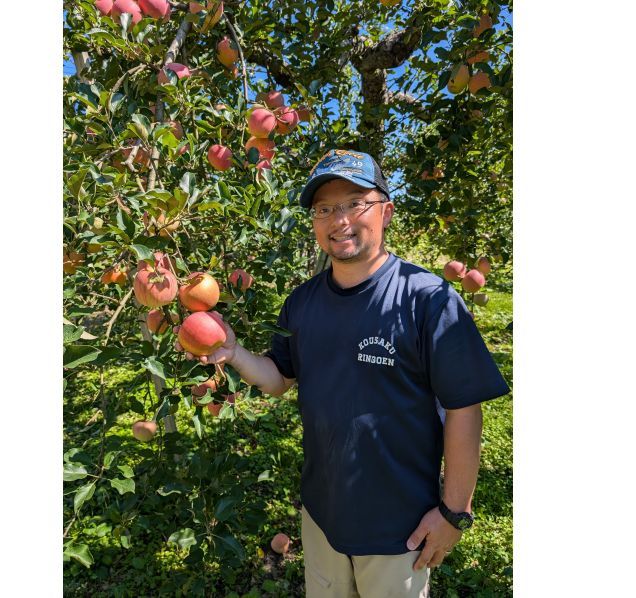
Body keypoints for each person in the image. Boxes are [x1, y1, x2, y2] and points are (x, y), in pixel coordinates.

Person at [175, 148, 510, 597]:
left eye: (355, 203)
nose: (340, 220)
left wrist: (454, 512)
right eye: (325, 208)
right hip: (322, 518)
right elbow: (280, 380)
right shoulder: (301, 303)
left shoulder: (428, 300)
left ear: (386, 211)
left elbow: (464, 411)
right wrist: (233, 352)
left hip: (400, 532)